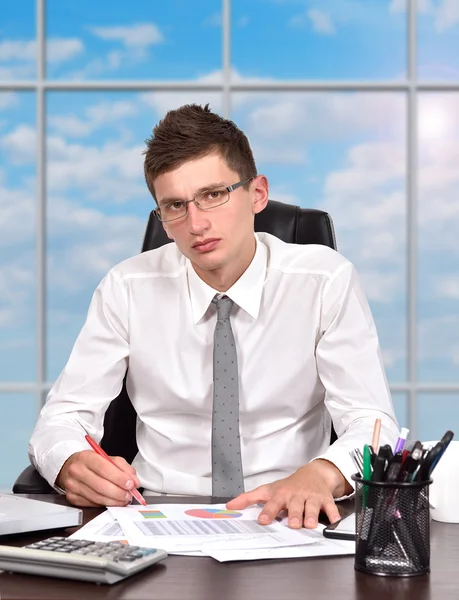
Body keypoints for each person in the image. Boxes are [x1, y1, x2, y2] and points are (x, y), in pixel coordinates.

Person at [29, 103, 399, 530]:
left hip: (288, 515)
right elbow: (60, 419)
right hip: (156, 517)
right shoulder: (126, 287)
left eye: (212, 195)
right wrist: (69, 461)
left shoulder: (324, 280)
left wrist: (322, 473)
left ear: (257, 193)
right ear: (162, 219)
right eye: (175, 206)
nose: (196, 223)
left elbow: (373, 424)